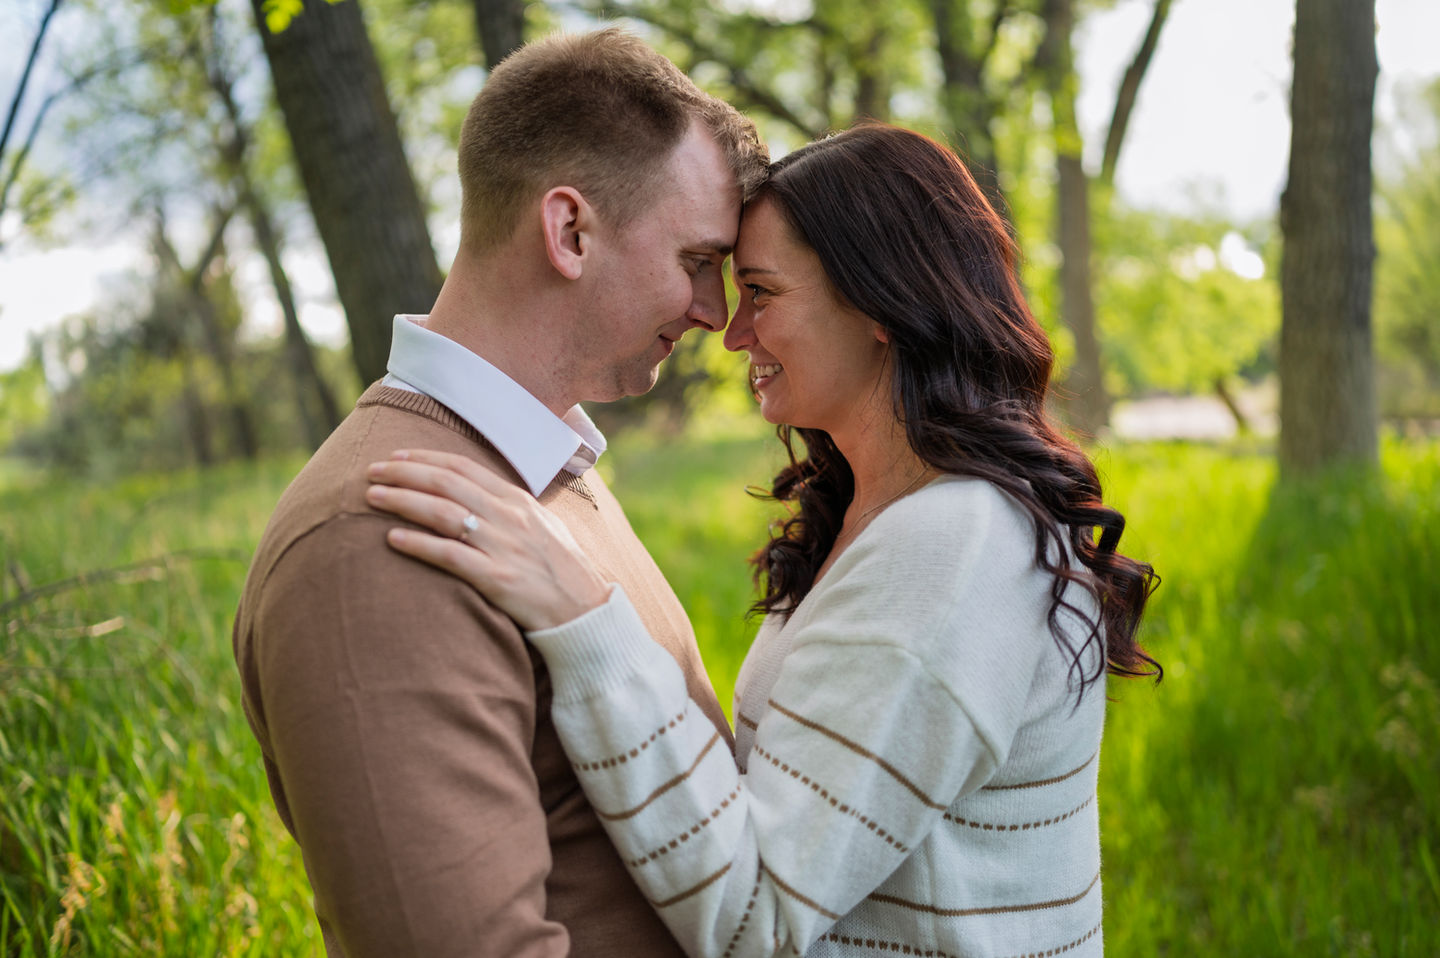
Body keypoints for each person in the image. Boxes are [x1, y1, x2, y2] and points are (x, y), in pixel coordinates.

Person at [364, 123, 1161, 958]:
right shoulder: (886, 513)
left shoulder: (954, 545)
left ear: (879, 305)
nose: (733, 330)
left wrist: (585, 623)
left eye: (762, 292)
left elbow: (760, 921)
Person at [232, 28, 769, 958]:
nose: (715, 314)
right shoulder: (375, 539)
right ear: (568, 231)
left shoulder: (545, 471)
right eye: (695, 262)